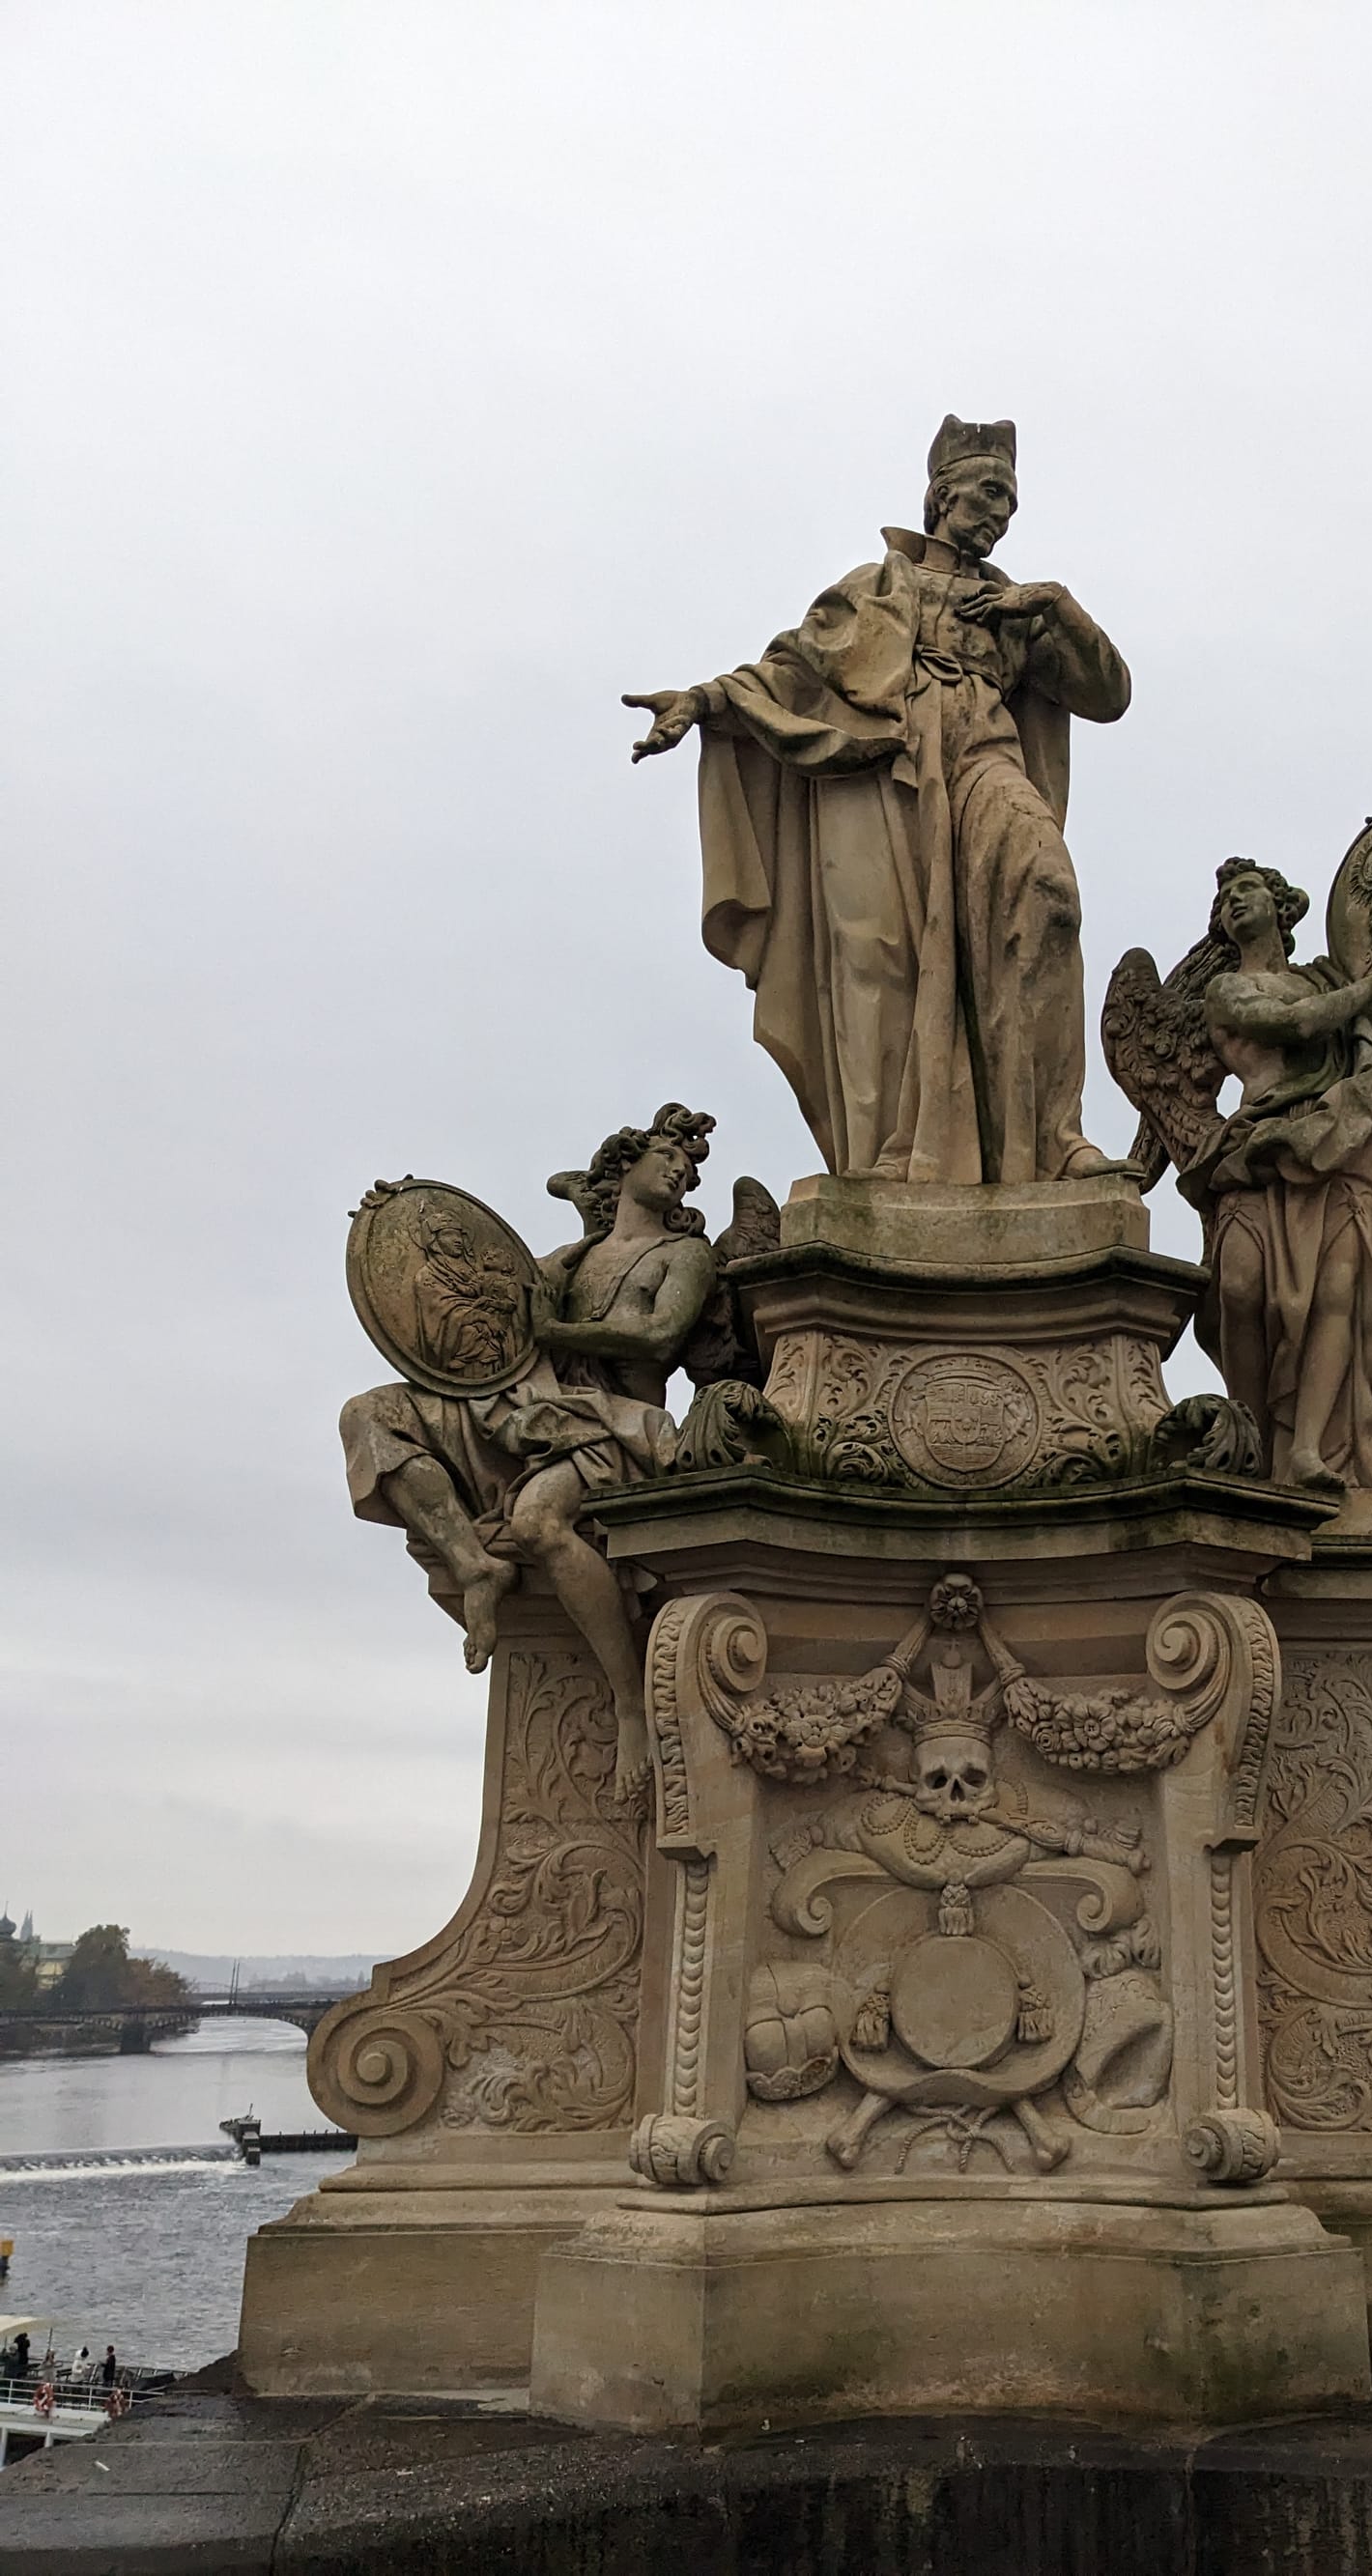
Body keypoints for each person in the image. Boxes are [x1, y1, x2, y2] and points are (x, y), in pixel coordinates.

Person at [626, 417, 1131, 1185]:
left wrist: (1055, 604)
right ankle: (894, 1153)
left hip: (984, 760)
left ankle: (1054, 1137)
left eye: (1011, 500)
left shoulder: (1018, 609)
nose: (1001, 512)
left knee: (1048, 893)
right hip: (884, 771)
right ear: (942, 495)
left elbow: (1109, 694)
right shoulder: (875, 589)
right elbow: (792, 673)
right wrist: (703, 700)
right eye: (989, 492)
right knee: (881, 956)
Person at [341, 1110, 719, 1802]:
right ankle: (473, 1565)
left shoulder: (684, 1255)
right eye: (667, 1156)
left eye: (688, 1170)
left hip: (612, 1425)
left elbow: (661, 1336)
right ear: (624, 1165)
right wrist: (394, 1221)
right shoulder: (568, 1259)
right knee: (369, 1415)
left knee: (539, 1521)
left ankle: (629, 1706)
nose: (680, 1171)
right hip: (527, 1410)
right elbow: (485, 1302)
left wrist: (556, 1329)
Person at [1175, 861, 1372, 1504]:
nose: (1234, 902)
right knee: (1238, 1287)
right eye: (1225, 899)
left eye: (1247, 890)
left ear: (1282, 907)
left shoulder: (1326, 977)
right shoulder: (1226, 990)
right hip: (1257, 1150)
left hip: (1342, 1150)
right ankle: (1254, 1441)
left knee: (1338, 1293)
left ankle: (1309, 1447)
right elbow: (1293, 1024)